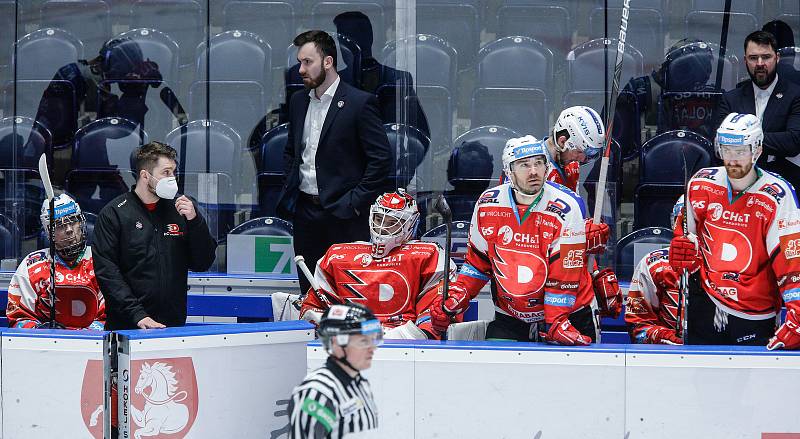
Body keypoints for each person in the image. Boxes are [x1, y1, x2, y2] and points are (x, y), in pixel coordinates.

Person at [429, 136, 595, 344]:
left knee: (574, 375)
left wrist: (555, 322)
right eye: (524, 165)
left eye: (539, 163)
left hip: (569, 315)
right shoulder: (488, 203)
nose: (533, 171)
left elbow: (563, 275)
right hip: (511, 316)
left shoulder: (567, 206)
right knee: (499, 375)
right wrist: (459, 294)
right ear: (509, 170)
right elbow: (479, 262)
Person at [668, 113, 800, 349]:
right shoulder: (701, 184)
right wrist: (683, 252)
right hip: (705, 303)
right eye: (727, 150)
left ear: (757, 150)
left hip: (754, 313)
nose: (732, 160)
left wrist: (797, 314)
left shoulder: (777, 195)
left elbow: (791, 260)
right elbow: (687, 241)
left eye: (740, 152)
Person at [276, 30, 392, 295]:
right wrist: (292, 187)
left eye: (308, 62)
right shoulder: (297, 102)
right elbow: (292, 151)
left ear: (327, 62)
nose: (301, 69)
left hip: (345, 215)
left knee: (347, 294)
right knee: (310, 293)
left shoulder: (360, 103)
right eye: (299, 62)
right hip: (305, 213)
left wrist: (354, 203)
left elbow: (381, 160)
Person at [91, 141, 217, 330]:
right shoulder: (114, 214)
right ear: (145, 175)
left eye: (174, 172)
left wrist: (195, 221)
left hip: (173, 325)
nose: (172, 178)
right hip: (127, 326)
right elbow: (108, 274)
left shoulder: (181, 210)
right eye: (166, 172)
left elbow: (203, 262)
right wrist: (137, 315)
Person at [299, 189, 455, 340]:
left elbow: (433, 317)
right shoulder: (337, 255)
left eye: (392, 222)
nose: (382, 228)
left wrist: (404, 335)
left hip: (404, 345)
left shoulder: (428, 255)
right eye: (379, 219)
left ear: (410, 224)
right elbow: (312, 310)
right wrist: (325, 321)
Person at [716, 30, 800, 190]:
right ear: (745, 60)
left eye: (766, 57)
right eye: (753, 58)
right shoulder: (731, 98)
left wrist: (742, 140)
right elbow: (720, 143)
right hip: (737, 182)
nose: (760, 63)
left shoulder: (795, 95)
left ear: (777, 58)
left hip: (784, 181)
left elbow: (793, 141)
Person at [6, 194, 105, 329]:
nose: (69, 230)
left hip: (93, 345)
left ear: (81, 222)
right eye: (60, 225)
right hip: (46, 345)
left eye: (73, 221)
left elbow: (109, 315)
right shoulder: (31, 266)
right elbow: (19, 316)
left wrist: (84, 336)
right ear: (48, 231)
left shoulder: (101, 260)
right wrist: (41, 332)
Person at [288, 303, 381, 438]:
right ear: (337, 343)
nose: (372, 348)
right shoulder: (316, 393)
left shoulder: (361, 384)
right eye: (363, 341)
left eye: (373, 340)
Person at [625, 197, 690, 345]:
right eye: (684, 221)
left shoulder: (738, 264)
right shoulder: (656, 264)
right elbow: (638, 328)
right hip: (669, 358)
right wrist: (663, 336)